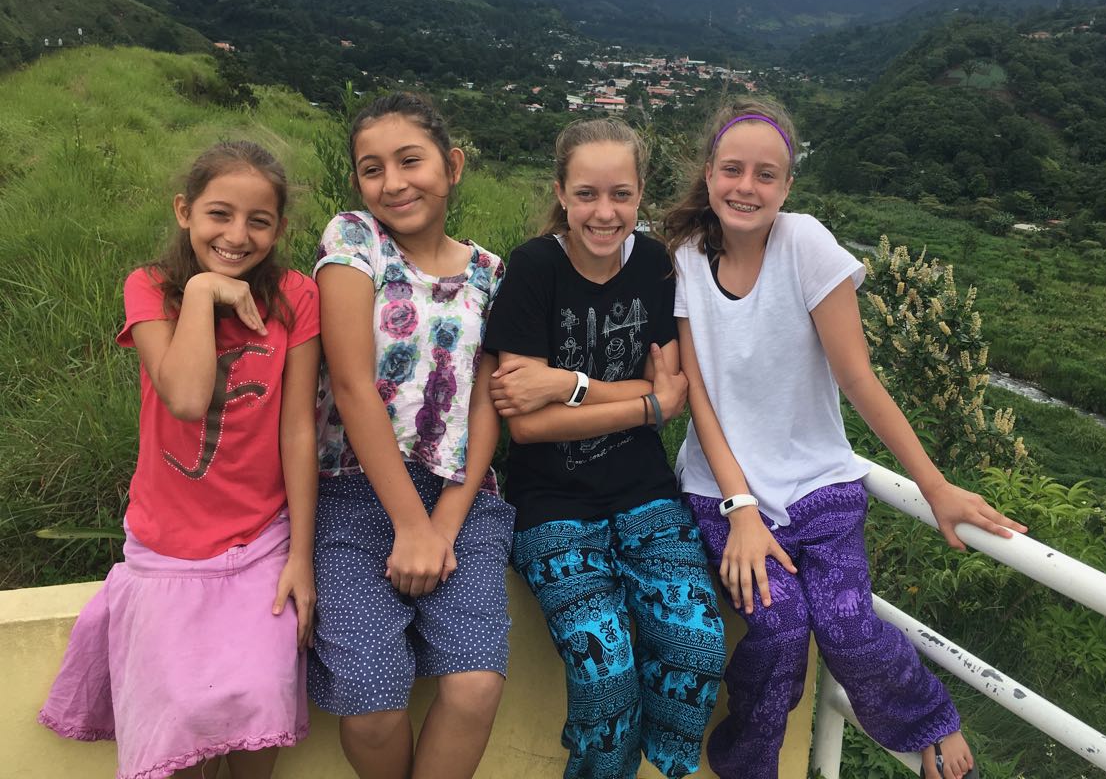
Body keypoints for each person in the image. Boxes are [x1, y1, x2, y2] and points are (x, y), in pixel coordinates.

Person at [664, 98, 1027, 779]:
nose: (746, 187)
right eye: (732, 170)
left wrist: (935, 486)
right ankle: (747, 764)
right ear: (708, 174)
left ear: (787, 186)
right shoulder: (683, 261)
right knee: (778, 632)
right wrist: (741, 510)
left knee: (848, 626)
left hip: (819, 485)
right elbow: (701, 401)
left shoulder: (804, 244)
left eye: (766, 175)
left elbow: (858, 378)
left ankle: (927, 718)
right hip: (722, 491)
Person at [39, 140, 320, 778]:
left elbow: (298, 429)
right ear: (184, 211)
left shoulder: (294, 297)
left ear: (279, 229)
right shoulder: (150, 288)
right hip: (167, 544)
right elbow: (188, 398)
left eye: (259, 221)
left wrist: (300, 557)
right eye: (219, 214)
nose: (237, 236)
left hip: (261, 540)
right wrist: (200, 293)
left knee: (259, 707)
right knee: (178, 725)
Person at [483, 118, 725, 779]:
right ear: (561, 193)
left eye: (621, 194)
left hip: (645, 493)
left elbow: (670, 390)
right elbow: (526, 425)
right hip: (552, 503)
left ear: (640, 193)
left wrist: (566, 385)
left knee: (698, 647)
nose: (604, 212)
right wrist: (641, 404)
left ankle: (664, 767)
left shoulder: (653, 265)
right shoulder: (534, 268)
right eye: (586, 194)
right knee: (604, 672)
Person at [309, 92, 513, 779]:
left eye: (410, 161)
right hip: (352, 492)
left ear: (452, 166)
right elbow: (350, 384)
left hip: (462, 498)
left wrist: (443, 523)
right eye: (373, 169)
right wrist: (409, 524)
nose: (393, 182)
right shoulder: (354, 240)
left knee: (475, 684)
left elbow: (486, 403)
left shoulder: (491, 272)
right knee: (371, 704)